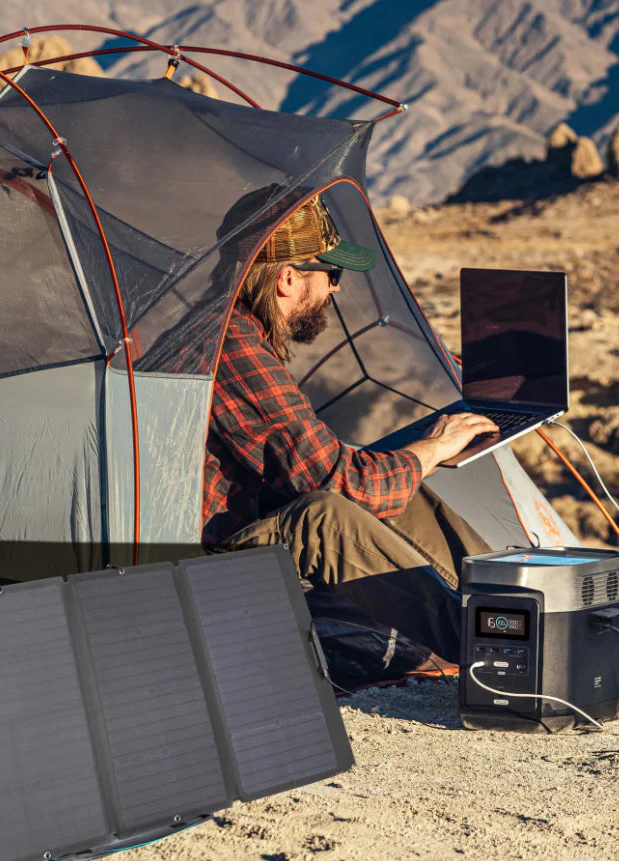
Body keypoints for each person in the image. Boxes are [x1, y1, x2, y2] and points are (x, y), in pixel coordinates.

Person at [203, 191, 499, 669]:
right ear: (287, 279)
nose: (336, 289)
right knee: (326, 515)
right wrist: (431, 449)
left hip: (228, 539)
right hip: (193, 576)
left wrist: (413, 458)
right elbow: (339, 486)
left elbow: (321, 467)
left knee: (397, 486)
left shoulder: (232, 332)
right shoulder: (231, 348)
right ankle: (497, 653)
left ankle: (517, 606)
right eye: (332, 274)